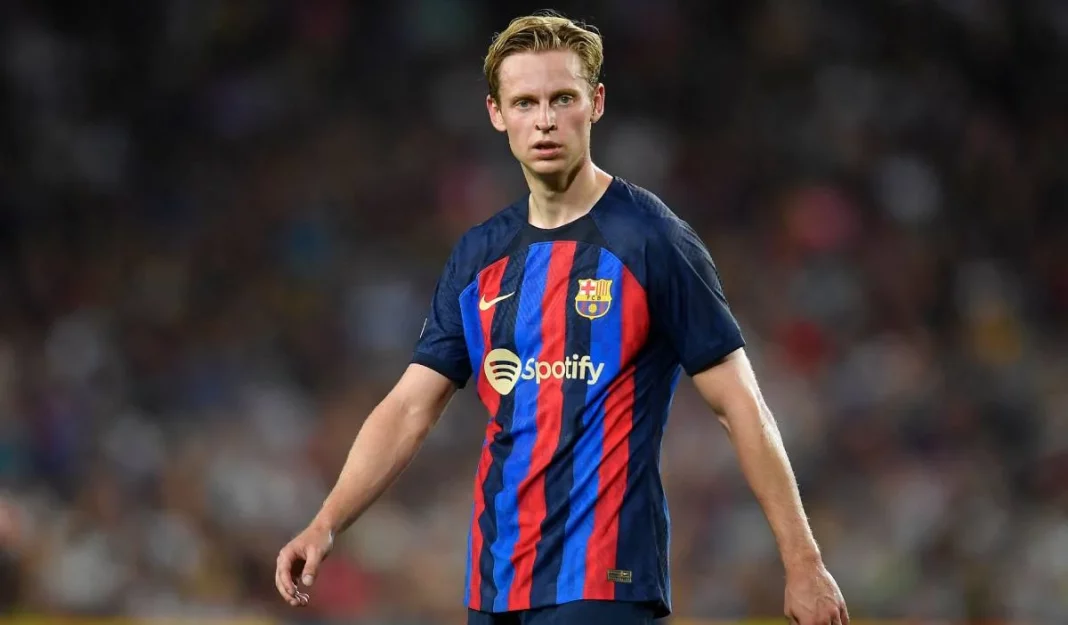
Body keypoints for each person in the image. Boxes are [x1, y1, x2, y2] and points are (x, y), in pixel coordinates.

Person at [275, 11, 850, 625]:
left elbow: (740, 404)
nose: (544, 120)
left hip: (604, 579)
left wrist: (804, 561)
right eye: (525, 102)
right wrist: (325, 523)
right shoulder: (479, 255)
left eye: (562, 99)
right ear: (497, 113)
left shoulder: (653, 240)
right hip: (495, 583)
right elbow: (409, 408)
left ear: (595, 103)